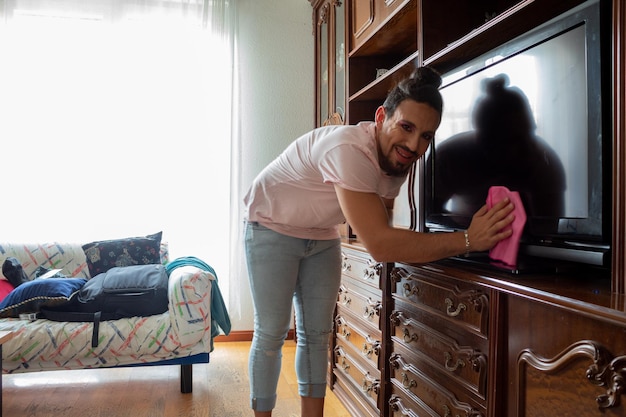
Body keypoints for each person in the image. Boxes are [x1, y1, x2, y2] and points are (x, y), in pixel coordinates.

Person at [243, 66, 515, 417]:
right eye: (406, 127)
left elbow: (380, 217)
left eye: (426, 136)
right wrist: (467, 239)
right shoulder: (349, 149)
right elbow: (381, 244)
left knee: (316, 335)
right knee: (272, 334)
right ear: (381, 116)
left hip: (322, 234)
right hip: (271, 225)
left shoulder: (397, 159)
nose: (415, 145)